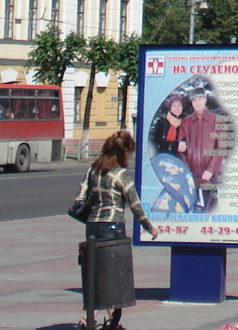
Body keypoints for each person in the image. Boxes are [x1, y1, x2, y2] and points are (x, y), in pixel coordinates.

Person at [75, 131, 158, 330]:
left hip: (92, 226)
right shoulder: (121, 174)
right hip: (113, 227)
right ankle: (90, 320)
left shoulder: (93, 170)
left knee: (96, 274)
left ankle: (105, 321)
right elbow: (135, 205)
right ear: (124, 153)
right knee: (113, 278)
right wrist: (149, 227)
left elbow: (79, 198)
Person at [179, 84, 229, 211]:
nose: (197, 102)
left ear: (205, 99)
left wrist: (211, 170)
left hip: (209, 175)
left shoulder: (218, 120)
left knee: (211, 206)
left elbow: (221, 147)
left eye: (200, 98)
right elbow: (180, 148)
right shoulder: (186, 121)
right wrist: (186, 171)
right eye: (194, 100)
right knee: (191, 207)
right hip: (191, 173)